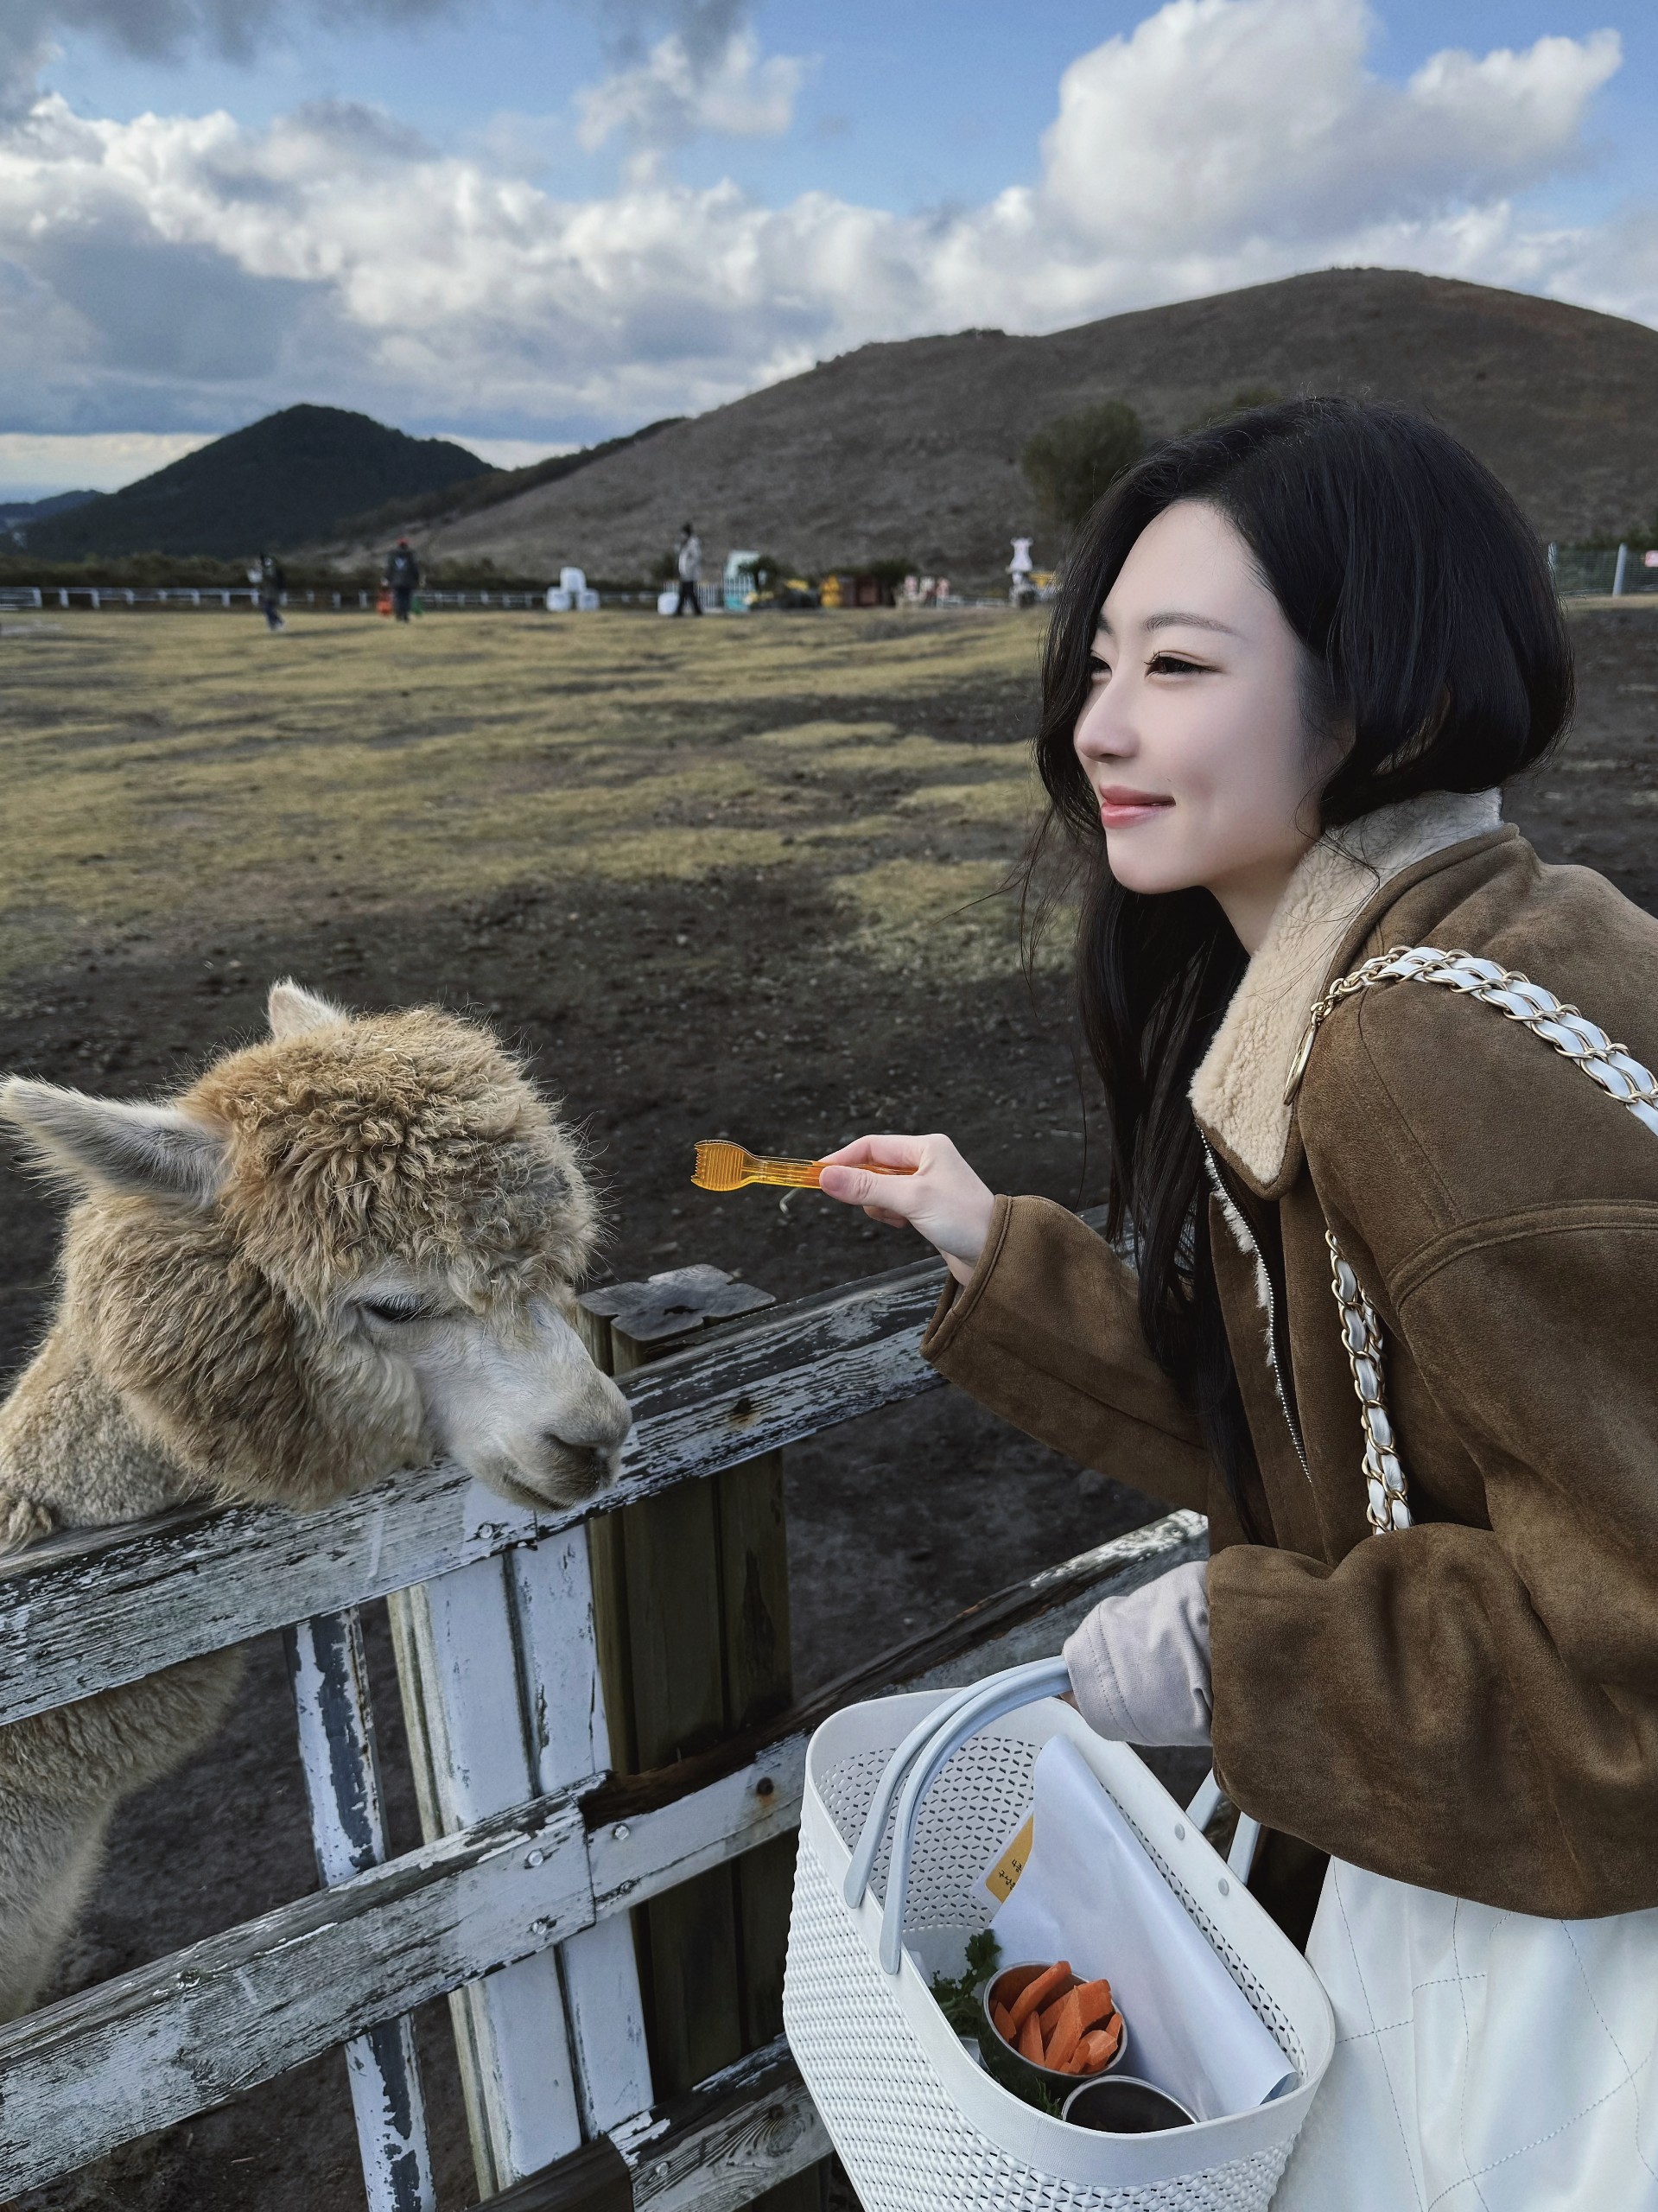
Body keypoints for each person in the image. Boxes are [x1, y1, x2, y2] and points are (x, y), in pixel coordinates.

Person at [817, 397, 1658, 2205]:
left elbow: (1629, 1659)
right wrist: (998, 1252)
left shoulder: (1406, 1050)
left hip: (1565, 1983)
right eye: (1098, 657)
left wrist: (1236, 1649)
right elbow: (1352, 1434)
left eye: (1177, 664)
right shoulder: (1474, 942)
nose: (1095, 725)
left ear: (1382, 699)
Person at [386, 537, 420, 622]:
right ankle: (405, 615)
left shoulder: (393, 556)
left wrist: (387, 578)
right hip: (408, 581)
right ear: (406, 545)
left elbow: (389, 569)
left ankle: (398, 614)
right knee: (407, 598)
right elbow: (414, 568)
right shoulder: (410, 555)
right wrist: (417, 578)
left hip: (396, 581)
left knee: (398, 598)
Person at [674, 523, 702, 616]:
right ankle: (681, 611)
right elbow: (679, 553)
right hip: (685, 573)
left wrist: (688, 569)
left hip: (690, 573)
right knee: (685, 593)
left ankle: (693, 611)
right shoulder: (685, 544)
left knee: (688, 593)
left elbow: (696, 557)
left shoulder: (693, 544)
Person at [257, 552, 285, 632]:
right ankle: (273, 624)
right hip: (267, 592)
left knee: (268, 608)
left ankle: (278, 622)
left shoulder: (270, 569)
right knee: (268, 609)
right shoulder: (266, 569)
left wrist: (263, 572)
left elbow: (271, 577)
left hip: (273, 593)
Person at [1008, 534, 1035, 606]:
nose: (1021, 549)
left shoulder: (1027, 561)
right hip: (1018, 585)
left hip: (1026, 584)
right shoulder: (1016, 561)